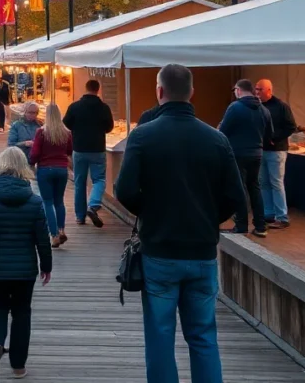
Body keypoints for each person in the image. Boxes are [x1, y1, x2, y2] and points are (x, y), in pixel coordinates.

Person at [115, 64, 246, 383]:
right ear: (192, 92)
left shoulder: (143, 136)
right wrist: (208, 218)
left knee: (160, 338)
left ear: (159, 92)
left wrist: (151, 213)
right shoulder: (216, 140)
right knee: (203, 336)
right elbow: (236, 196)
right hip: (201, 251)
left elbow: (125, 190)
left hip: (159, 249)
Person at [0, 147, 52, 380]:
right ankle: (18, 366)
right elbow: (42, 238)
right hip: (25, 270)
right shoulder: (34, 201)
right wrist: (46, 266)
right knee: (21, 314)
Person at [219, 78, 273, 238]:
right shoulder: (264, 110)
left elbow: (223, 131)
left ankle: (241, 224)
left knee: (239, 188)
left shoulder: (235, 108)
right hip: (257, 154)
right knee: (254, 187)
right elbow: (269, 135)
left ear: (239, 90)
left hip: (237, 153)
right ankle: (261, 225)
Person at [62, 79, 115, 228]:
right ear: (98, 90)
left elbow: (66, 124)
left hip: (79, 149)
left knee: (79, 183)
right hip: (98, 149)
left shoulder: (74, 107)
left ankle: (80, 217)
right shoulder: (104, 108)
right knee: (99, 180)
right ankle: (93, 204)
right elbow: (109, 127)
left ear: (85, 88)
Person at [30, 104, 73, 248]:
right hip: (61, 169)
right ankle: (61, 229)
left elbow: (35, 153)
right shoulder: (66, 132)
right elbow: (69, 151)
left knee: (47, 202)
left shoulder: (41, 132)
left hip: (45, 169)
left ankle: (54, 234)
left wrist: (31, 163)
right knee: (59, 201)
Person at [255, 79, 297, 228]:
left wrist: (275, 137)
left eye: (260, 89)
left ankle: (282, 216)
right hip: (261, 150)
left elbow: (291, 126)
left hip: (276, 150)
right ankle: (268, 213)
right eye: (256, 89)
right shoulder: (257, 106)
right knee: (264, 183)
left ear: (269, 90)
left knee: (276, 182)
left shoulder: (281, 106)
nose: (257, 92)